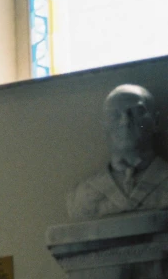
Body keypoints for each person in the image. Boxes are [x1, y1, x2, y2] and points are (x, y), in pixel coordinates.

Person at [67, 84, 168, 221]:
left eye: (136, 112)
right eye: (114, 115)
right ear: (104, 126)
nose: (125, 121)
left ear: (155, 122)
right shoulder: (82, 196)